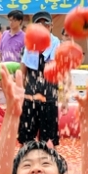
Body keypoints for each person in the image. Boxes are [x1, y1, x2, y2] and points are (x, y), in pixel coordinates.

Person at [18, 11, 61, 147]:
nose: (43, 27)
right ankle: (24, 159)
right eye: (39, 24)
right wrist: (19, 89)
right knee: (26, 132)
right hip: (31, 92)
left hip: (49, 93)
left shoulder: (56, 43)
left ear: (51, 26)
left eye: (46, 24)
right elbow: (23, 68)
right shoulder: (29, 44)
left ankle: (49, 161)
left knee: (48, 135)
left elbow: (54, 67)